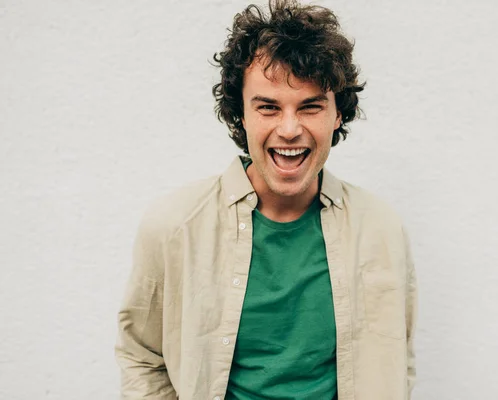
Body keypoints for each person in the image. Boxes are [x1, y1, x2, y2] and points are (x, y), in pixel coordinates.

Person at [115, 0, 417, 399]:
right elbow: (141, 355)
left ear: (337, 114)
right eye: (269, 108)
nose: (289, 129)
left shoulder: (381, 228)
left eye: (310, 107)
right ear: (240, 114)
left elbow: (398, 361)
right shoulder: (175, 226)